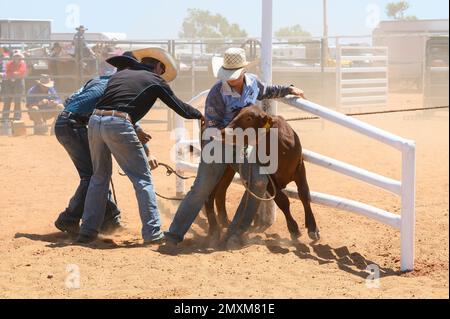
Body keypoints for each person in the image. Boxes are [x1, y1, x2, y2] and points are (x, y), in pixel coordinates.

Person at [164, 48, 306, 249]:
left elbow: (268, 90)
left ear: (242, 72)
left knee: (259, 181)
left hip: (243, 147)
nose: (230, 80)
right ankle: (174, 234)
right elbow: (212, 127)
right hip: (218, 146)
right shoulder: (216, 92)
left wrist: (289, 89)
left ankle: (236, 232)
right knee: (201, 189)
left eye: (234, 76)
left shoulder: (253, 83)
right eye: (227, 76)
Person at [75, 47, 203, 245]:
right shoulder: (155, 80)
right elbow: (180, 107)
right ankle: (152, 233)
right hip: (118, 123)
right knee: (142, 180)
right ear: (159, 66)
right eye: (163, 70)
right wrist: (200, 114)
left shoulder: (121, 75)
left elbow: (114, 100)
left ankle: (87, 231)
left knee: (99, 177)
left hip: (95, 121)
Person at [54, 72, 125, 235]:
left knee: (95, 175)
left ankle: (109, 219)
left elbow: (69, 100)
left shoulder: (98, 80)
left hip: (65, 122)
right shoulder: (118, 86)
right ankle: (69, 218)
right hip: (75, 125)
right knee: (94, 176)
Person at [2, 51, 27, 121]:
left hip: (18, 82)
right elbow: (7, 72)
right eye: (15, 56)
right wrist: (14, 74)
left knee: (17, 100)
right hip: (9, 82)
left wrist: (15, 73)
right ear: (13, 57)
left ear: (20, 57)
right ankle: (5, 116)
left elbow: (22, 71)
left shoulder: (23, 64)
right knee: (7, 100)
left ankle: (17, 116)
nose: (17, 57)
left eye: (18, 56)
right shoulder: (9, 63)